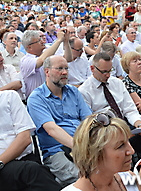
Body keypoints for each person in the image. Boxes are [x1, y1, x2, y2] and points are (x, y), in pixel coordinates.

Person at [27, 56, 92, 186]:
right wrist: (80, 147)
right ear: (47, 72)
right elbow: (52, 130)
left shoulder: (73, 91)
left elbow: (88, 120)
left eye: (66, 68)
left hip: (85, 145)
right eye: (60, 69)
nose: (65, 72)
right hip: (57, 150)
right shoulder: (36, 98)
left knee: (112, 168)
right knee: (82, 179)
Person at [79, 52, 141, 154]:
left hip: (127, 125)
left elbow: (129, 109)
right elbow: (90, 123)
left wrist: (139, 125)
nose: (108, 75)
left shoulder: (117, 83)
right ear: (92, 69)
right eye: (104, 72)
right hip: (106, 132)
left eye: (110, 71)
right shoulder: (84, 91)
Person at [62, 110, 138, 191]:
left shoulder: (130, 179)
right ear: (93, 154)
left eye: (128, 141)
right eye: (120, 146)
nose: (131, 151)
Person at [20, 30, 72, 98]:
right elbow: (41, 60)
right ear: (29, 47)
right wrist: (58, 40)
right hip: (36, 100)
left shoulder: (46, 51)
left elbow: (68, 58)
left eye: (41, 39)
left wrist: (66, 41)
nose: (42, 41)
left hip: (54, 97)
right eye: (38, 41)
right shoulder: (25, 60)